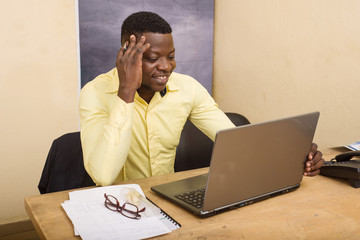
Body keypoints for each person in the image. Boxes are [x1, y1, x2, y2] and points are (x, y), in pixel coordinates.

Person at [79, 11, 324, 186]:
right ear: (126, 53)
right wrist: (126, 93)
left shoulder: (188, 88)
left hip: (165, 200)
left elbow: (235, 141)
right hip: (117, 207)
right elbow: (103, 176)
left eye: (171, 56)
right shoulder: (94, 93)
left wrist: (294, 157)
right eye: (153, 58)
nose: (166, 67)